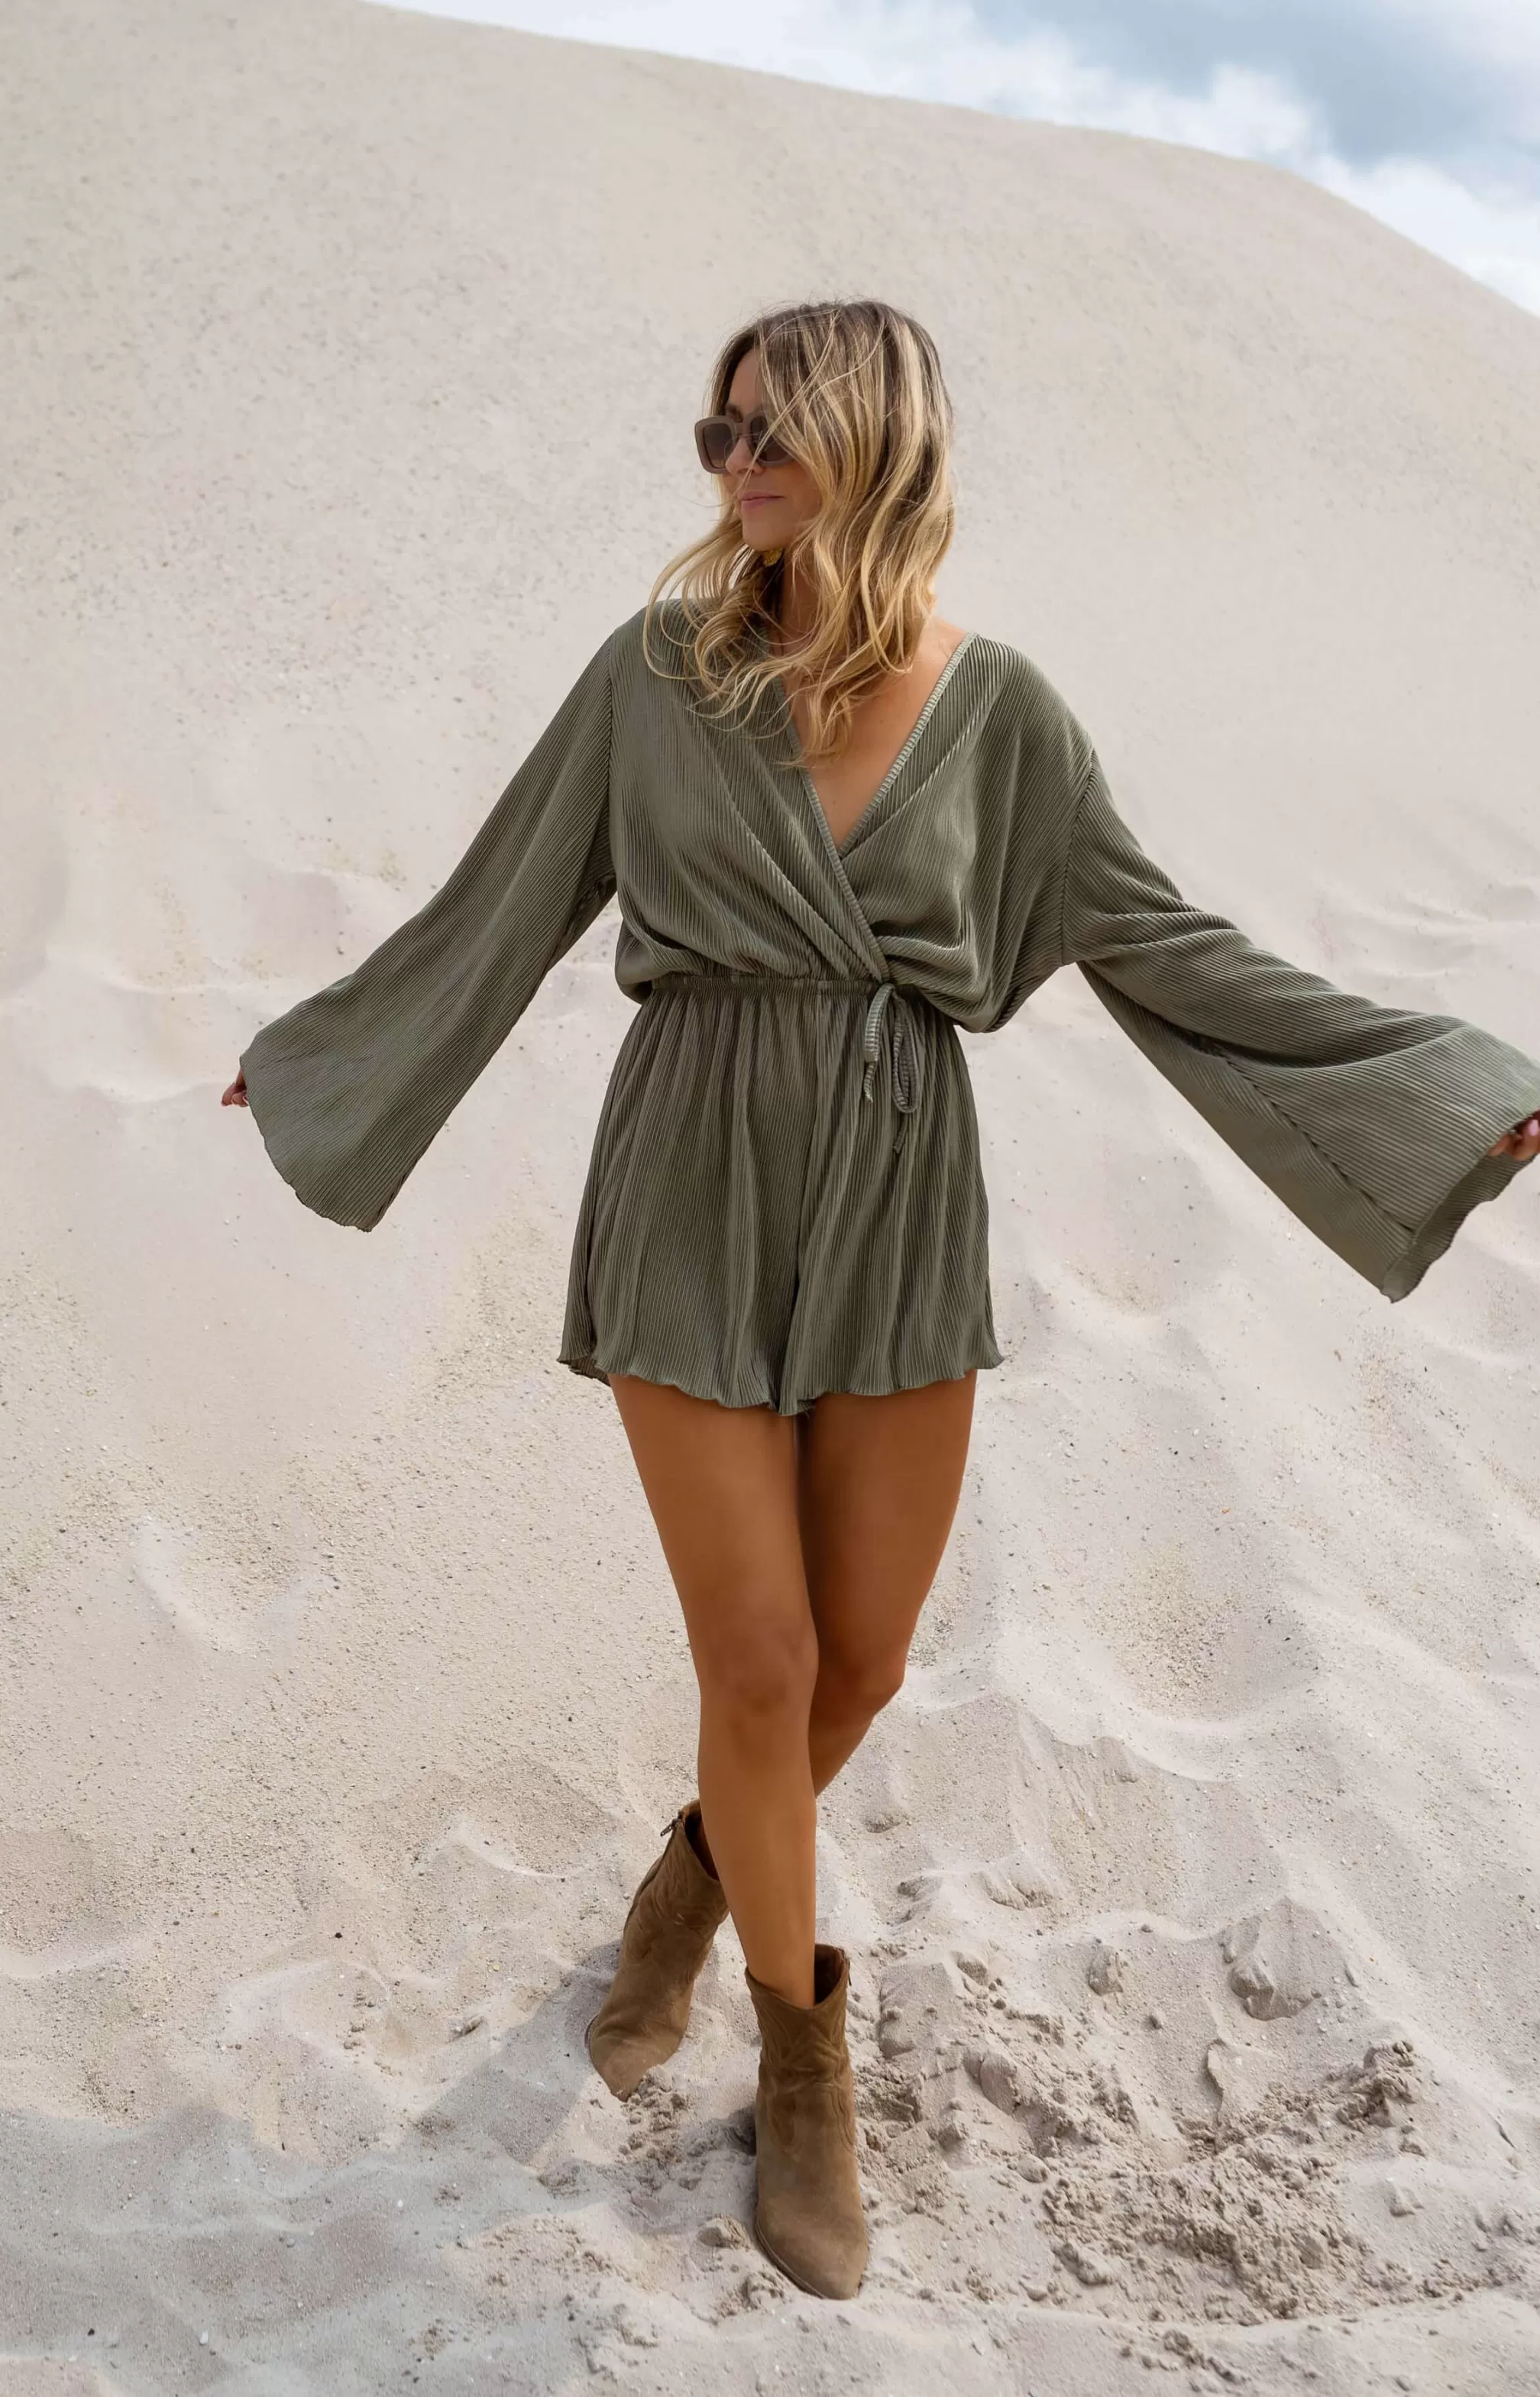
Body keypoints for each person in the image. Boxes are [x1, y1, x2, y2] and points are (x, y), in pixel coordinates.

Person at [224, 297, 1540, 2302]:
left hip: (903, 1198)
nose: (738, 461)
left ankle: (690, 1883)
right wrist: (330, 1059)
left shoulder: (1003, 717)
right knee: (760, 1663)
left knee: (864, 1669)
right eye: (720, 430)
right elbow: (502, 902)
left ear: (877, 437)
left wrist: (1452, 1091)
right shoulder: (654, 677)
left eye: (775, 426)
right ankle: (802, 2063)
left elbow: (1170, 948)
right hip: (685, 1178)